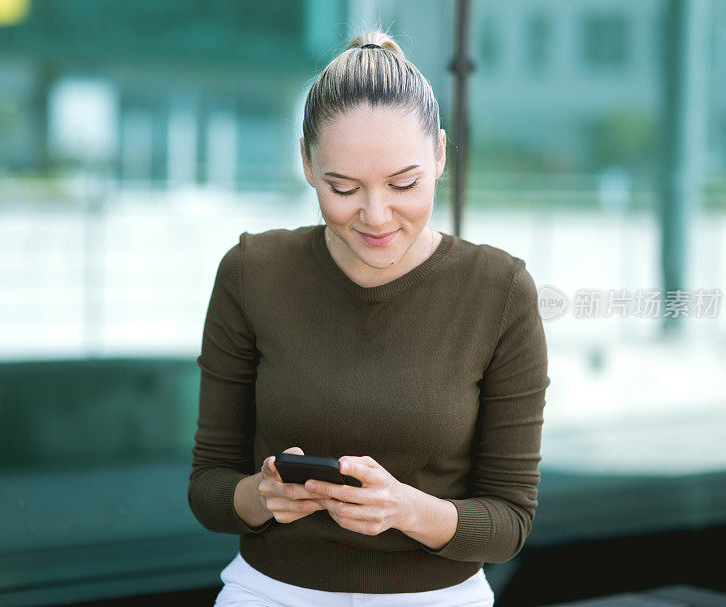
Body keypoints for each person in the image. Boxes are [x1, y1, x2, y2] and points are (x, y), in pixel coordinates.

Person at [188, 28, 550, 607]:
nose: (376, 215)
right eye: (343, 187)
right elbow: (208, 487)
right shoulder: (252, 272)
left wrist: (406, 509)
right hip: (272, 592)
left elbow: (510, 522)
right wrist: (261, 497)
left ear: (439, 153)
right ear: (306, 163)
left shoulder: (499, 290)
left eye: (403, 184)